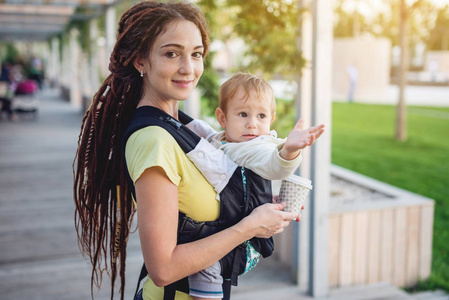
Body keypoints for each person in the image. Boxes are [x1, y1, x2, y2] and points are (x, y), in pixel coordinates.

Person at [73, 2, 300, 300]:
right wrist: (249, 227)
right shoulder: (154, 140)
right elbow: (164, 268)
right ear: (141, 61)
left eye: (196, 54)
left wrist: (265, 211)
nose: (188, 68)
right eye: (171, 54)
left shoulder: (185, 127)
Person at [185, 72, 325, 300]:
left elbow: (275, 165)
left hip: (247, 245)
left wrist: (289, 151)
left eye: (261, 116)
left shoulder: (256, 147)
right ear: (222, 118)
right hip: (231, 227)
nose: (252, 123)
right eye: (242, 114)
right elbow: (204, 133)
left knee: (205, 265)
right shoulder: (224, 140)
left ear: (271, 119)